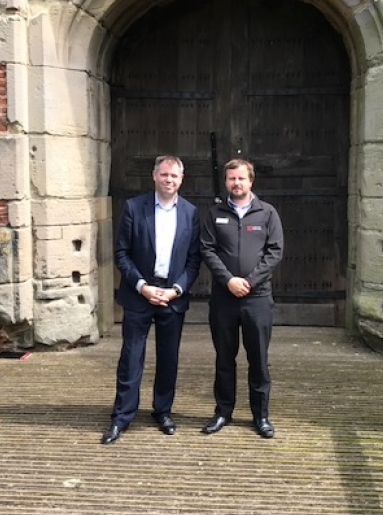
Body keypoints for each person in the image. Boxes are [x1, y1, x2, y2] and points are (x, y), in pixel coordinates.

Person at [101, 155, 201, 445]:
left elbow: (194, 260)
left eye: (174, 176)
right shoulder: (134, 208)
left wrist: (177, 290)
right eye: (164, 175)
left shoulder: (191, 213)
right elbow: (121, 254)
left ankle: (163, 411)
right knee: (131, 358)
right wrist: (143, 286)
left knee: (168, 358)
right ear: (154, 176)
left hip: (172, 297)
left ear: (181, 180)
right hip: (139, 294)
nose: (169, 180)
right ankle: (121, 417)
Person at [199, 158, 284, 439]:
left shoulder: (267, 213)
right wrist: (228, 280)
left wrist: (249, 281)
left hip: (257, 299)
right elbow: (207, 250)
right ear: (226, 182)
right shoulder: (214, 214)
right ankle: (223, 411)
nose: (236, 183)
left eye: (241, 178)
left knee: (258, 359)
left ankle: (261, 415)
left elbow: (275, 252)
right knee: (225, 358)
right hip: (224, 300)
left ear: (251, 181)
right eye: (231, 179)